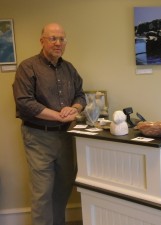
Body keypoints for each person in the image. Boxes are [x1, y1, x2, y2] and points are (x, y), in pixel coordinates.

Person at [12, 23, 86, 225]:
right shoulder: (28, 67)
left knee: (63, 189)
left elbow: (81, 95)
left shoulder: (69, 68)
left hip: (66, 137)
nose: (58, 43)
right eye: (53, 38)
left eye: (62, 39)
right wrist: (57, 116)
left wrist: (75, 108)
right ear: (42, 41)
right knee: (42, 192)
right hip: (38, 138)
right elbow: (24, 103)